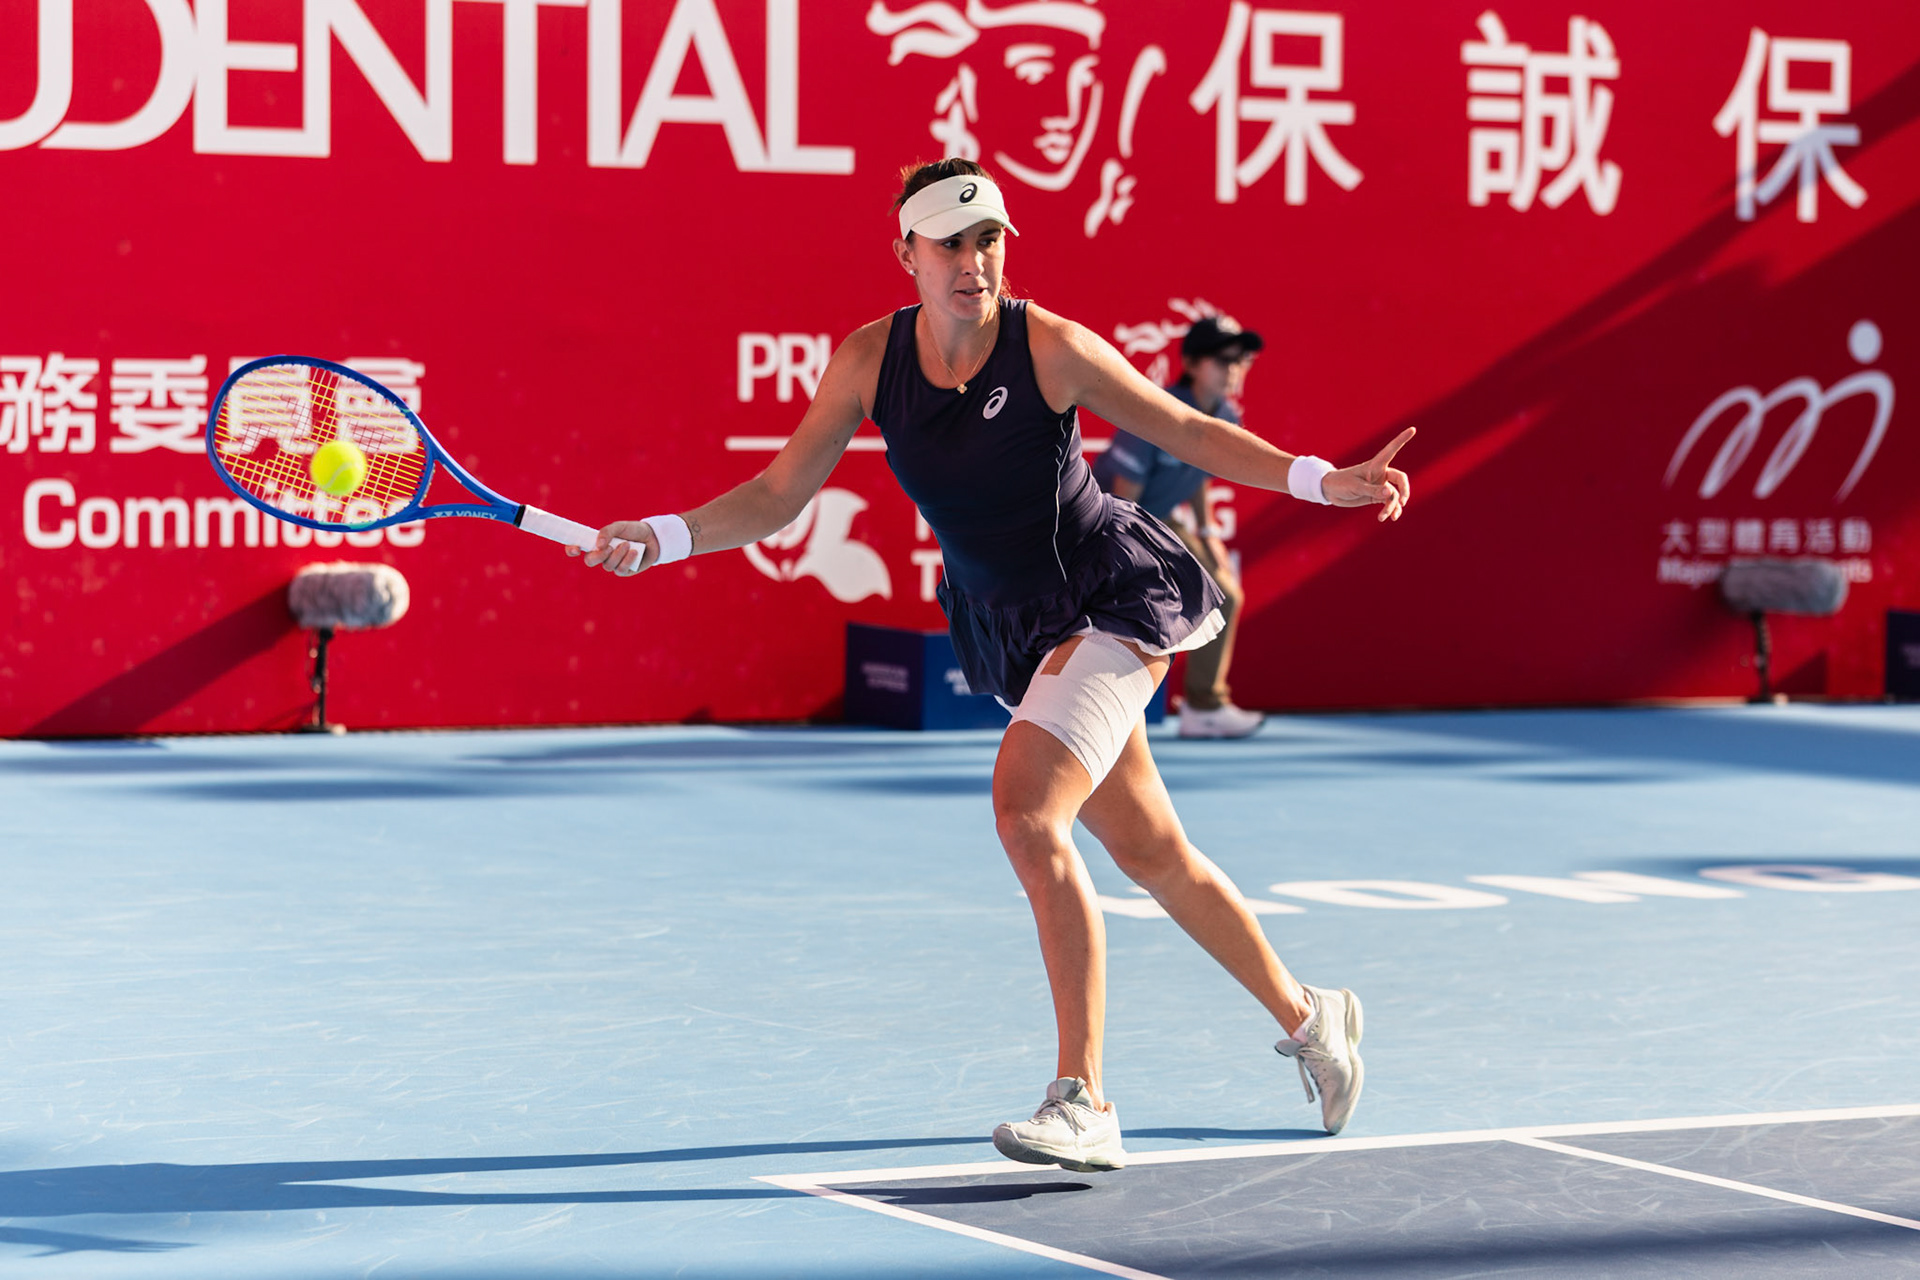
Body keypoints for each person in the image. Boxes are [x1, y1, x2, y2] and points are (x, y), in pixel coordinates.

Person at [573, 158, 1413, 1173]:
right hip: (1014, 627)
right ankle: (1313, 1014)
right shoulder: (866, 359)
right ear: (907, 256)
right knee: (1153, 852)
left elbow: (1186, 425)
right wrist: (660, 536)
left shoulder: (1048, 346)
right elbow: (778, 494)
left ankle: (1085, 1096)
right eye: (951, 243)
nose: (976, 261)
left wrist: (1324, 481)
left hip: (1111, 598)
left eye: (990, 239)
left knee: (1026, 807)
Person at [1094, 315, 1266, 738]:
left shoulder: (1226, 414)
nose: (1235, 368)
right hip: (1107, 520)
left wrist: (1207, 534)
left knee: (1224, 592)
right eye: (1223, 358)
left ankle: (1204, 706)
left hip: (1158, 519)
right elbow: (1123, 496)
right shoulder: (1157, 412)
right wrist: (1127, 561)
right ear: (1190, 363)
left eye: (1242, 358)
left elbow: (1199, 472)